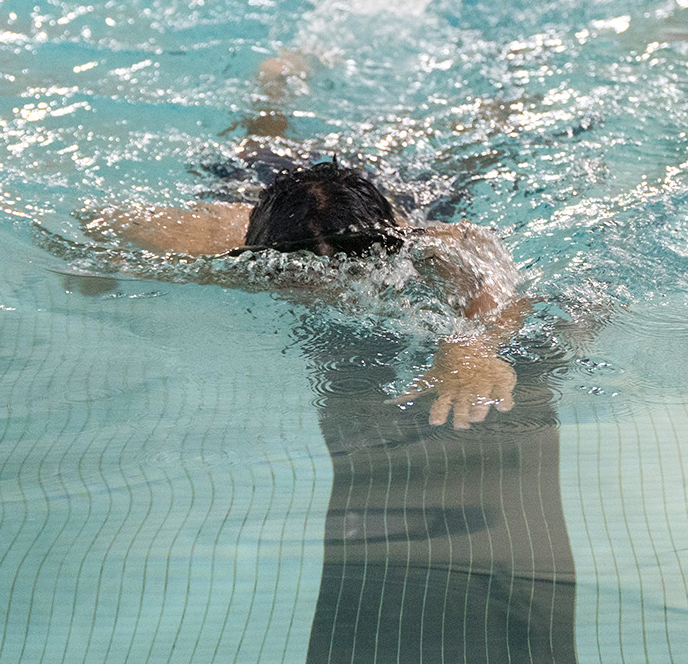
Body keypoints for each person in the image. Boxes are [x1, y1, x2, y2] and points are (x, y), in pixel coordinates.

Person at [83, 60, 533, 430]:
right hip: (268, 188)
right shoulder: (211, 240)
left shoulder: (428, 242)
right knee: (262, 138)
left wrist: (470, 346)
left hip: (401, 194)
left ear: (392, 241)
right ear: (256, 252)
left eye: (356, 269)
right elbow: (97, 218)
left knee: (472, 152)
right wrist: (92, 274)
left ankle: (506, 106)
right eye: (301, 274)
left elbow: (499, 284)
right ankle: (273, 82)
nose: (332, 289)